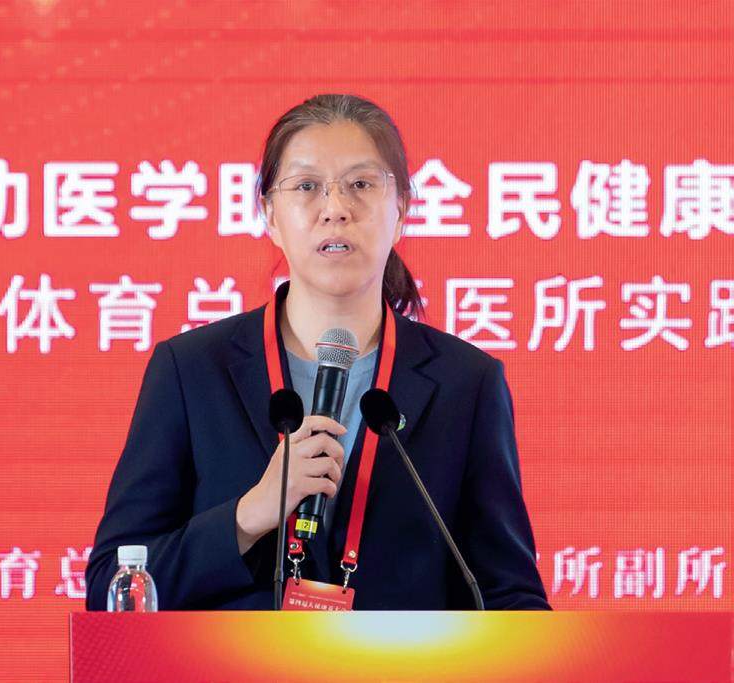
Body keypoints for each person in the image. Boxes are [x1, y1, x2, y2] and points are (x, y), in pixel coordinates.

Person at [85, 94, 550, 610]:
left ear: (401, 212)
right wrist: (249, 515)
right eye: (307, 186)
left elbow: (510, 598)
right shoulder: (191, 371)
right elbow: (111, 587)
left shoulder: (467, 382)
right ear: (270, 215)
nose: (335, 209)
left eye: (361, 185)